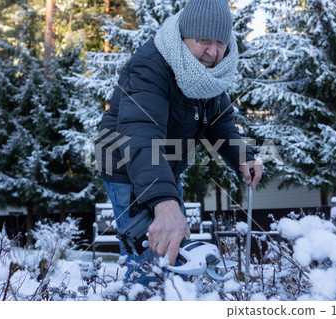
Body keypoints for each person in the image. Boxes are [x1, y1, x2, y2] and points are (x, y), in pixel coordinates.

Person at [97, 0, 262, 285]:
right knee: (153, 264)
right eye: (203, 41)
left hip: (166, 168)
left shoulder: (207, 76)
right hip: (126, 164)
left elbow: (219, 122)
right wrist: (164, 202)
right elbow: (141, 132)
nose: (213, 52)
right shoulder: (150, 65)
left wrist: (242, 156)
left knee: (177, 255)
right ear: (184, 36)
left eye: (221, 43)